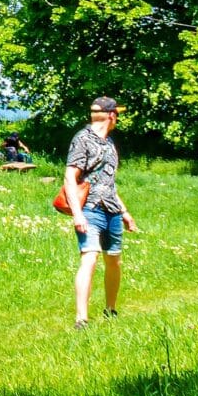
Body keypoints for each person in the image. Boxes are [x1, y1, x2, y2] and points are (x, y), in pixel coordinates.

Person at [64, 96, 136, 328]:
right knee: (90, 258)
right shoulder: (82, 139)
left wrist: (124, 211)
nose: (117, 119)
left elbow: (110, 182)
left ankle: (110, 309)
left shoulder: (110, 144)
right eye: (117, 114)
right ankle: (81, 318)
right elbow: (69, 178)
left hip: (112, 210)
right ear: (111, 115)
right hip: (90, 209)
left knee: (114, 260)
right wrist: (78, 214)